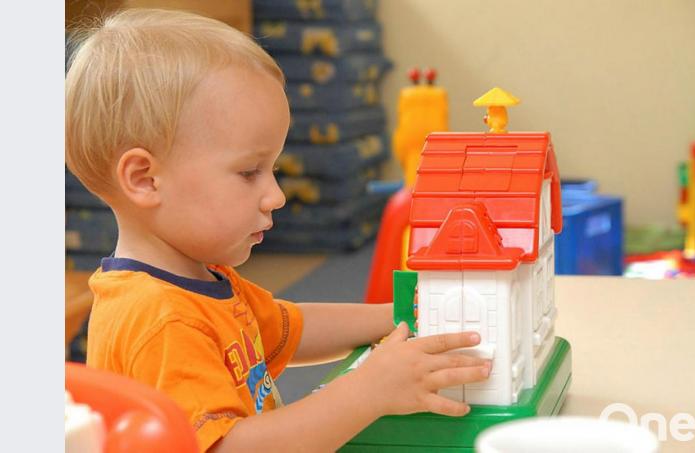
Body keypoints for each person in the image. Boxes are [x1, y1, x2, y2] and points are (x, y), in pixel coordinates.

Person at [65, 8, 491, 452]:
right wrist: (368, 392)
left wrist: (402, 314)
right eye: (250, 172)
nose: (276, 196)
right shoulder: (162, 320)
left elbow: (292, 327)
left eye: (273, 169)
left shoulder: (200, 281)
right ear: (144, 179)